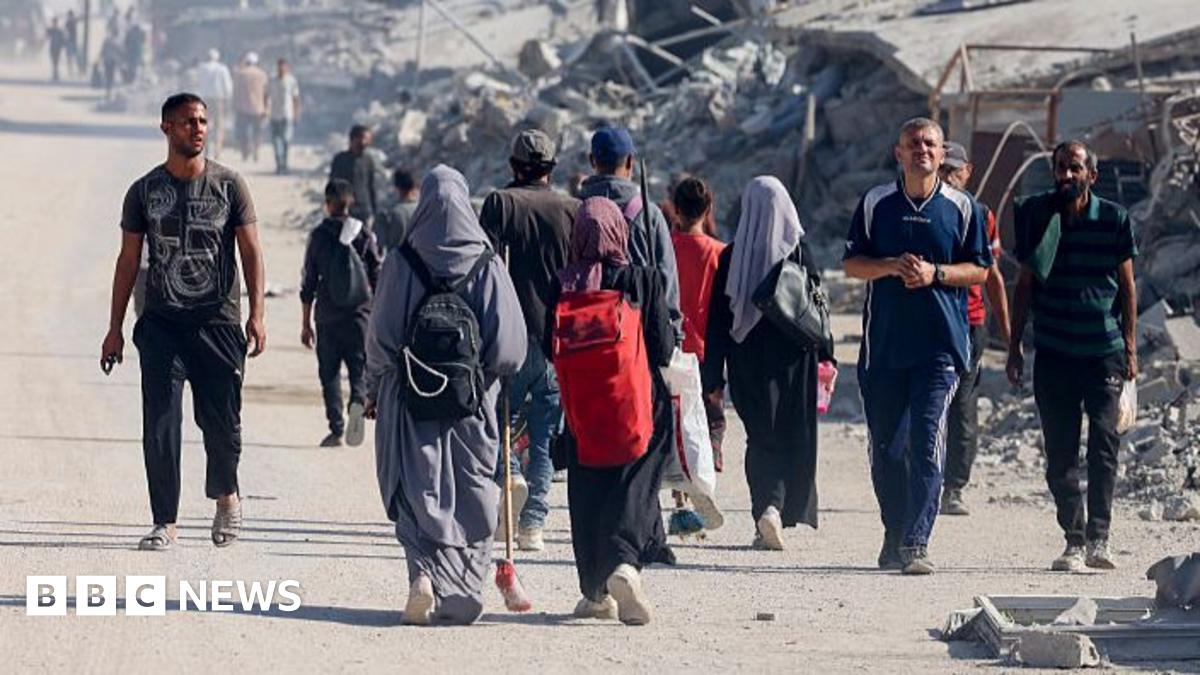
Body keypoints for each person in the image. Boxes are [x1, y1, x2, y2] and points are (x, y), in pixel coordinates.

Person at [100, 93, 267, 552]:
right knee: (160, 425)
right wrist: (115, 328)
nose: (198, 129)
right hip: (162, 325)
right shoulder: (144, 192)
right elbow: (128, 260)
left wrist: (257, 314)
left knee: (222, 424)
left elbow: (251, 251)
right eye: (188, 122)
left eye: (203, 121)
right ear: (167, 128)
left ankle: (226, 495)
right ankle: (165, 521)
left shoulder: (229, 185)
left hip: (218, 323)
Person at [364, 165, 526, 625]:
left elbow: (381, 338)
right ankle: (465, 591)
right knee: (474, 492)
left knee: (416, 488)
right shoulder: (487, 264)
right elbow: (511, 350)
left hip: (410, 398)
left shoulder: (402, 261)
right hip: (473, 403)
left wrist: (375, 388)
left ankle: (421, 575)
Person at [843, 117, 991, 575]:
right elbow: (852, 264)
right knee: (887, 449)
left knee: (927, 440)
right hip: (884, 348)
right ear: (899, 152)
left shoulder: (963, 208)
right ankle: (894, 531)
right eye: (913, 143)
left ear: (942, 154)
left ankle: (916, 541)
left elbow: (981, 269)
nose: (922, 150)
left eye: (930, 143)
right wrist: (890, 266)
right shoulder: (876, 203)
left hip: (940, 348)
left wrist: (936, 274)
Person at [1007, 140, 1137, 573]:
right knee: (1060, 455)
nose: (1066, 175)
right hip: (1054, 351)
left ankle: (1100, 537)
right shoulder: (1038, 214)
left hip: (1104, 353)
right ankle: (1074, 540)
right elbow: (1024, 284)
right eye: (1060, 167)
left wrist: (1131, 349)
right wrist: (1014, 345)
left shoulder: (1114, 219)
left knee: (1104, 445)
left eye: (1074, 168)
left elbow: (1128, 288)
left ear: (1091, 175)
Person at [550, 197, 675, 625]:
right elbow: (663, 347)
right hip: (637, 403)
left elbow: (550, 346)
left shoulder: (562, 284)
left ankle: (595, 592)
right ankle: (625, 565)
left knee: (588, 489)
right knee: (635, 482)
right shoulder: (642, 279)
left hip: (583, 409)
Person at [701, 176, 831, 550]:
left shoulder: (731, 257)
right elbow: (818, 307)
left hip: (747, 362)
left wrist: (713, 377)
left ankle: (767, 509)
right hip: (795, 361)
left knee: (760, 437)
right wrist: (827, 356)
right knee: (791, 433)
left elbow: (717, 321)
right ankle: (779, 509)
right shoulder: (800, 252)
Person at [478, 129, 578, 551]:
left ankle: (510, 477)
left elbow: (483, 268)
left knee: (498, 420)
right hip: (556, 338)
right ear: (551, 168)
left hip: (509, 335)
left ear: (513, 167)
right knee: (543, 435)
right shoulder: (572, 209)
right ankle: (533, 524)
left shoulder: (500, 204)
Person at [938, 141, 1011, 516]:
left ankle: (953, 487)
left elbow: (992, 275)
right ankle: (921, 479)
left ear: (968, 172)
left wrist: (1009, 333)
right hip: (929, 321)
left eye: (954, 170)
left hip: (969, 322)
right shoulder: (920, 210)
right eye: (943, 170)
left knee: (962, 404)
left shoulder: (981, 215)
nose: (948, 177)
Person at [577, 125, 683, 342]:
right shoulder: (648, 213)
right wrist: (674, 334)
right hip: (638, 338)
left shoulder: (575, 211)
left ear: (592, 161)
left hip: (586, 336)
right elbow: (666, 279)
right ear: (630, 162)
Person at [300, 179, 382, 448]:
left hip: (327, 316)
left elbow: (308, 283)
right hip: (360, 316)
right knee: (358, 369)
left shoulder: (319, 236)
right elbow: (377, 275)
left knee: (330, 374)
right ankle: (357, 400)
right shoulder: (364, 234)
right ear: (351, 202)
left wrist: (305, 323)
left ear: (327, 204)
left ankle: (336, 428)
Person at [671, 177, 728, 473]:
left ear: (676, 209)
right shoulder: (720, 252)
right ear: (708, 209)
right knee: (708, 420)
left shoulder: (666, 249)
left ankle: (680, 489)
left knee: (676, 422)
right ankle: (704, 474)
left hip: (672, 347)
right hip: (708, 351)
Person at [330, 125, 378, 227]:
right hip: (345, 210)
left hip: (364, 210)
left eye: (368, 139)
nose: (366, 142)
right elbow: (333, 185)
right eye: (364, 138)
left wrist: (374, 210)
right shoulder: (340, 159)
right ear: (353, 139)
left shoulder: (368, 160)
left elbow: (371, 186)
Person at [193, 49, 233, 159]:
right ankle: (217, 150)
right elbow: (227, 86)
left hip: (204, 100)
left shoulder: (201, 68)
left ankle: (206, 149)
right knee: (218, 126)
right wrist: (228, 99)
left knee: (204, 125)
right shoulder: (222, 68)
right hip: (218, 100)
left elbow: (197, 83)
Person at [232, 52, 269, 162]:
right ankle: (256, 150)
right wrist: (266, 108)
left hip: (242, 108)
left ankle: (245, 151)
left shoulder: (240, 74)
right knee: (257, 132)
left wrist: (234, 105)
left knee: (243, 132)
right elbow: (266, 93)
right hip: (258, 108)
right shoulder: (262, 74)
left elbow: (235, 92)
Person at [266, 58, 301, 174]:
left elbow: (296, 98)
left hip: (287, 115)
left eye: (283, 67)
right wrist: (266, 109)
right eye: (279, 67)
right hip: (274, 116)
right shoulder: (272, 81)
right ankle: (279, 165)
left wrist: (296, 113)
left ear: (287, 68)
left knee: (286, 140)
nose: (281, 69)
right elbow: (266, 95)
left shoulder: (291, 81)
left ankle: (284, 164)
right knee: (276, 142)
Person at [376, 167, 419, 252]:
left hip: (400, 258)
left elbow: (388, 245)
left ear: (397, 188)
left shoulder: (394, 213)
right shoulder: (423, 209)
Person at [123, 17, 145, 83]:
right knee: (135, 65)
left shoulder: (129, 32)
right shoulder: (141, 32)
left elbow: (126, 42)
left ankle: (130, 78)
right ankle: (132, 78)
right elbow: (143, 41)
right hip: (137, 51)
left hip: (130, 51)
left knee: (131, 65)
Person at [99, 35, 122, 100]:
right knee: (111, 77)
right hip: (112, 61)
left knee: (108, 77)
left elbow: (102, 51)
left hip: (107, 61)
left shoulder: (106, 41)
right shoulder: (117, 41)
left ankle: (108, 92)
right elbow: (120, 51)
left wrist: (100, 58)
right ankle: (109, 92)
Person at [46, 18, 65, 82]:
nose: (54, 24)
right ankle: (55, 74)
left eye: (55, 22)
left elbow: (62, 40)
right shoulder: (52, 30)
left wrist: (62, 46)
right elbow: (47, 36)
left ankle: (56, 74)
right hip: (53, 48)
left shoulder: (59, 31)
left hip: (57, 48)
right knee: (54, 62)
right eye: (54, 22)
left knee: (56, 62)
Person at [64, 11, 79, 76]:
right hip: (70, 41)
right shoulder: (68, 22)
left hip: (72, 41)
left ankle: (71, 70)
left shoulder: (72, 22)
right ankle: (70, 71)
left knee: (72, 57)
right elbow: (66, 32)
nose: (70, 17)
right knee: (70, 57)